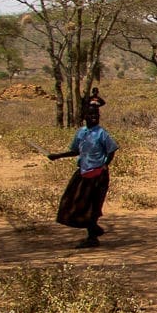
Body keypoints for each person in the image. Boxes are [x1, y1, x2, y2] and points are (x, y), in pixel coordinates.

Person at [48, 104, 118, 247]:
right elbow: (75, 151)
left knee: (92, 204)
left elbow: (112, 150)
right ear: (84, 117)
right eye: (91, 115)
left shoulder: (101, 133)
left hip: (98, 174)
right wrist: (58, 156)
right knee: (72, 201)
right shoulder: (81, 132)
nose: (94, 117)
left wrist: (105, 165)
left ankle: (92, 237)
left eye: (96, 115)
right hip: (83, 172)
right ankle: (94, 228)